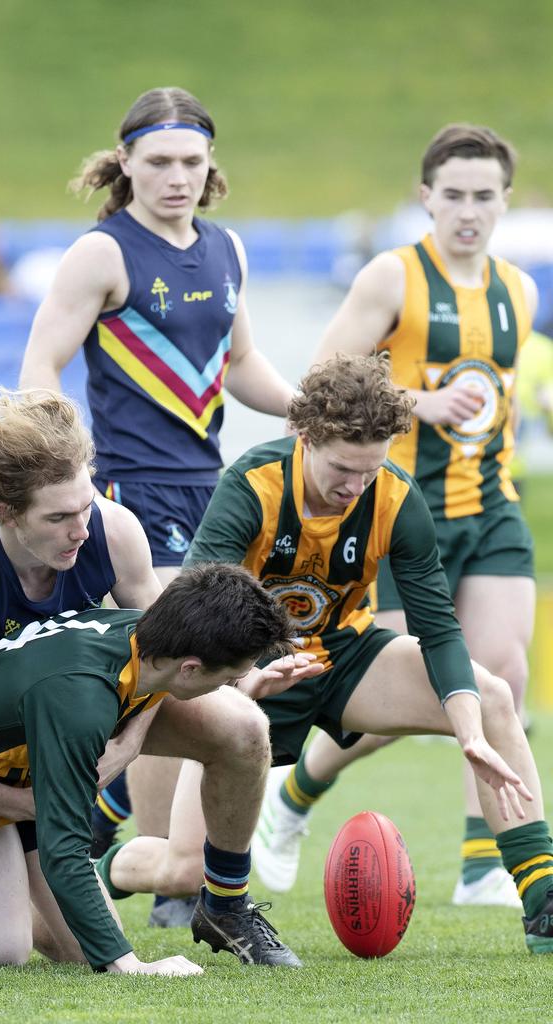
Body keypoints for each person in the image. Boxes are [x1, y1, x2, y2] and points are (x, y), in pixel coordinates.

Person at [20, 86, 296, 924]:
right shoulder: (102, 254)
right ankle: (168, 879)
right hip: (128, 492)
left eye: (190, 161)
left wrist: (307, 409)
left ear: (210, 164)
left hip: (209, 488)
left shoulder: (227, 250)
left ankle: (141, 848)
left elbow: (242, 365)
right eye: (159, 162)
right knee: (174, 673)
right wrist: (68, 470)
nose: (177, 177)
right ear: (126, 162)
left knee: (205, 670)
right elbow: (40, 366)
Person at [175, 353, 553, 955]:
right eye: (343, 468)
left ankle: (544, 905)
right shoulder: (252, 484)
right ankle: (109, 852)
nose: (355, 486)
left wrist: (469, 733)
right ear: (306, 437)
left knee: (495, 698)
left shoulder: (396, 498)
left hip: (345, 658)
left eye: (370, 470)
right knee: (179, 872)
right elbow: (194, 607)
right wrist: (242, 682)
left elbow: (438, 628)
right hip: (249, 670)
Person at [253, 124, 538, 906]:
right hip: (397, 517)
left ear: (504, 201)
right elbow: (320, 384)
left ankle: (487, 863)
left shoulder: (520, 288)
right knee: (408, 690)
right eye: (454, 195)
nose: (469, 212)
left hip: (491, 504)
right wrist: (425, 403)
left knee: (503, 674)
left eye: (484, 196)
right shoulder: (393, 278)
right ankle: (296, 792)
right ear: (427, 198)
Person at [0, 564, 318, 973]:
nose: (227, 687)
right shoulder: (81, 700)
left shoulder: (145, 636)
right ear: (189, 667)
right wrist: (127, 965)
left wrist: (247, 684)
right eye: (227, 677)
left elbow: (154, 692)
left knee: (25, 949)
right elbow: (65, 849)